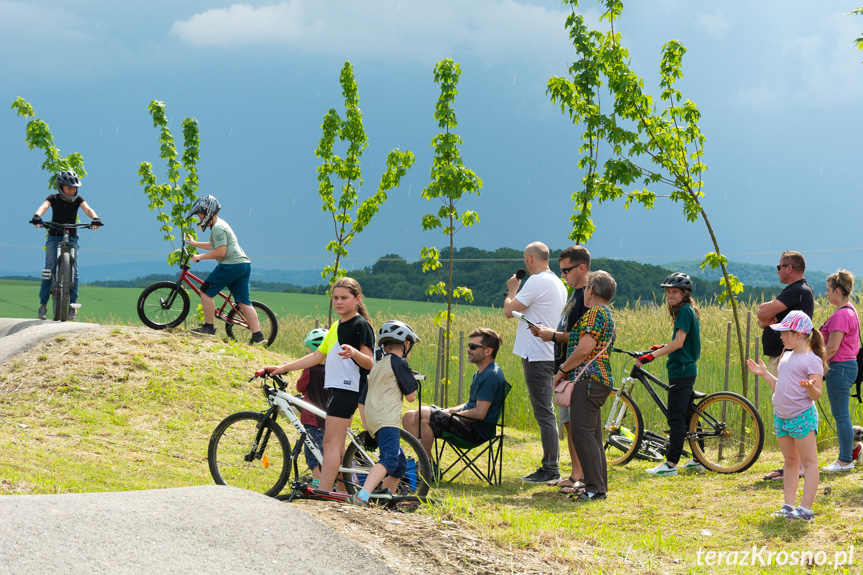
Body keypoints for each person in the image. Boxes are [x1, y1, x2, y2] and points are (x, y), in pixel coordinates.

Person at [263, 277, 374, 492]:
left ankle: (323, 491)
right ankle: (342, 491)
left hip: (349, 389)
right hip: (338, 389)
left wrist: (354, 353)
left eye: (344, 298)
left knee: (329, 444)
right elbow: (315, 356)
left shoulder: (361, 325)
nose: (339, 302)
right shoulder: (336, 326)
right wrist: (282, 368)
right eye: (335, 298)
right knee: (338, 445)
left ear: (358, 299)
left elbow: (369, 363)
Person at [746, 311, 824, 522]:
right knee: (790, 461)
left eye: (784, 333)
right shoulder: (786, 355)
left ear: (799, 334)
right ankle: (788, 506)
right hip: (782, 417)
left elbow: (817, 394)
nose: (781, 337)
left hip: (801, 417)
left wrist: (810, 388)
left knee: (809, 463)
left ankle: (806, 509)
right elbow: (780, 385)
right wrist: (764, 374)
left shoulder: (812, 360)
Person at [504, 241, 567, 484]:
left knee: (544, 413)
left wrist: (512, 290)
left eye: (524, 259)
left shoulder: (537, 281)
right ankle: (551, 465)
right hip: (550, 352)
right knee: (547, 412)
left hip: (537, 354)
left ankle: (550, 468)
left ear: (530, 259)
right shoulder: (558, 283)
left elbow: (510, 311)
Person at [529, 246, 590, 492]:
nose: (563, 275)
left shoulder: (587, 296)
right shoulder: (573, 294)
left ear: (582, 268)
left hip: (576, 370)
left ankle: (583, 476)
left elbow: (582, 338)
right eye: (561, 270)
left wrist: (552, 335)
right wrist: (550, 334)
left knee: (578, 425)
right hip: (564, 368)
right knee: (568, 423)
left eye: (567, 270)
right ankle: (576, 473)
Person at [553, 270, 617, 502]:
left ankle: (593, 489)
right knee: (592, 436)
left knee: (582, 434)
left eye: (586, 287)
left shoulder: (593, 314)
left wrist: (561, 371)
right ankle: (599, 486)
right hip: (599, 381)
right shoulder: (606, 314)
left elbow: (584, 348)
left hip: (588, 380)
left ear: (591, 290)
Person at [402, 328, 507, 462]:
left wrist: (450, 415)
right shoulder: (481, 373)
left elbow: (479, 413)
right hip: (466, 425)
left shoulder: (491, 375)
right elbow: (472, 403)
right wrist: (449, 411)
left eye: (473, 346)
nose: (468, 349)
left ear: (488, 351)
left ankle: (427, 467)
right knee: (408, 417)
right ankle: (425, 462)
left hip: (475, 432)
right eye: (469, 345)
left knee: (423, 414)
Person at [637, 273, 705, 476]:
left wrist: (653, 356)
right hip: (686, 368)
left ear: (685, 293)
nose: (670, 295)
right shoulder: (688, 309)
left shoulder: (684, 310)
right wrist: (662, 346)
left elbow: (679, 343)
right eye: (667, 292)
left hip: (681, 369)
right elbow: (678, 341)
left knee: (675, 418)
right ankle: (698, 458)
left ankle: (670, 465)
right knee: (688, 414)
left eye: (674, 292)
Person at [756, 250, 814, 481]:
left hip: (788, 357)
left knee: (790, 408)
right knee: (784, 406)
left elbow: (761, 312)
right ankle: (792, 462)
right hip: (783, 356)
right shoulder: (793, 292)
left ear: (789, 268)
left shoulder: (797, 290)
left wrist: (769, 317)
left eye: (779, 267)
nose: (778, 270)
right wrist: (767, 319)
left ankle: (797, 464)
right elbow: (762, 320)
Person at [349, 321, 420, 506]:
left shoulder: (377, 365)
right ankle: (362, 495)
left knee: (400, 464)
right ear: (406, 344)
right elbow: (411, 397)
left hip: (373, 421)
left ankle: (384, 501)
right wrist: (410, 378)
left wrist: (368, 429)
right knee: (389, 459)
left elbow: (361, 401)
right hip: (388, 421)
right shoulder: (399, 363)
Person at [183, 195, 265, 343]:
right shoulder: (220, 225)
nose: (200, 218)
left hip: (231, 265)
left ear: (209, 213)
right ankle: (258, 336)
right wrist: (195, 244)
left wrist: (200, 257)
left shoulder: (218, 228)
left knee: (206, 291)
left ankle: (208, 328)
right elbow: (214, 246)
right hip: (243, 265)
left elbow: (221, 252)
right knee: (243, 302)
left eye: (200, 214)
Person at [29, 170, 102, 321]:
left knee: (74, 272)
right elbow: (44, 206)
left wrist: (95, 218)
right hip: (54, 236)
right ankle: (43, 305)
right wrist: (37, 216)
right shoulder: (53, 198)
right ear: (61, 187)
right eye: (69, 188)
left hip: (72, 238)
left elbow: (87, 208)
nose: (73, 190)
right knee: (49, 269)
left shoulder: (78, 199)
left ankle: (72, 306)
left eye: (75, 188)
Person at [819, 270, 860, 472]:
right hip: (847, 366)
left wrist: (816, 366)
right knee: (842, 414)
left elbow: (833, 348)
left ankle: (845, 461)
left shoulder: (842, 315)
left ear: (837, 291)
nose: (825, 294)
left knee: (841, 415)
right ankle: (851, 453)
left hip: (840, 367)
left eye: (827, 290)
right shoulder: (851, 310)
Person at [296, 328, 328, 486]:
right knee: (324, 450)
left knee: (311, 449)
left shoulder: (310, 369)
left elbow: (300, 387)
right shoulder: (331, 370)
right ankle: (325, 479)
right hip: (327, 417)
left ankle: (317, 481)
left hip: (311, 417)